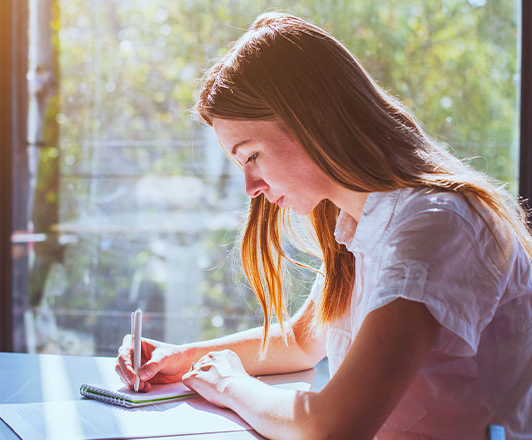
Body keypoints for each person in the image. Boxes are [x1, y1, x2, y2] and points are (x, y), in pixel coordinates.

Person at [115, 11, 532, 440]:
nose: (250, 187)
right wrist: (181, 358)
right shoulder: (360, 222)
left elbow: (332, 426)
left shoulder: (434, 227)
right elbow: (300, 342)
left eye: (252, 155)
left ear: (311, 121)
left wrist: (229, 385)